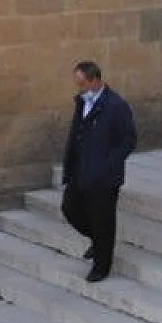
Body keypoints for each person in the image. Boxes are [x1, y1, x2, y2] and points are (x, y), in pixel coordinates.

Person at [60, 60, 138, 283]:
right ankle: (97, 239)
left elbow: (128, 140)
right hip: (81, 171)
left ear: (95, 80)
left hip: (103, 177)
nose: (79, 88)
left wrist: (108, 165)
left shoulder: (116, 105)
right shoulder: (82, 102)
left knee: (103, 220)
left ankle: (101, 266)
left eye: (82, 84)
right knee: (70, 208)